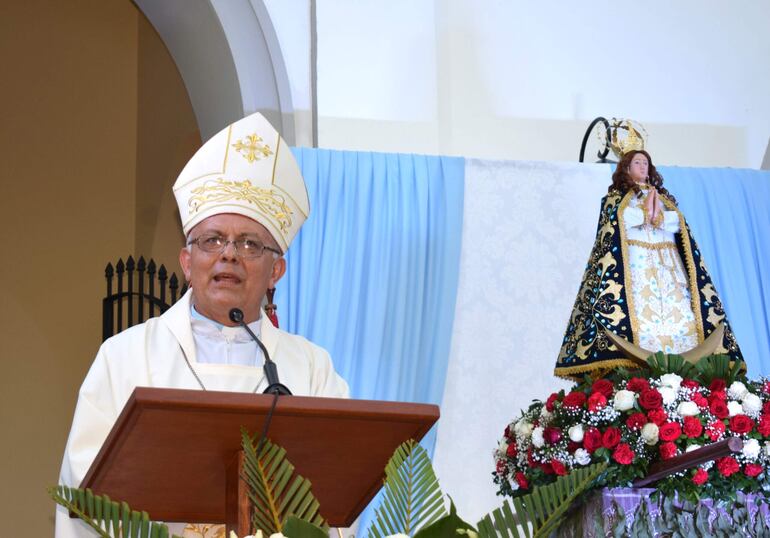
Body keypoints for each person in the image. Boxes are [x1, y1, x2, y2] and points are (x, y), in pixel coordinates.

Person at [56, 113, 349, 538]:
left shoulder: (311, 369)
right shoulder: (125, 358)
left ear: (276, 272)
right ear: (187, 263)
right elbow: (86, 493)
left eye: (250, 243)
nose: (228, 254)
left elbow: (337, 497)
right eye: (212, 240)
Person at [554, 148, 744, 380]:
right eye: (637, 162)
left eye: (646, 163)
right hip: (635, 263)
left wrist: (659, 217)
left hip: (666, 263)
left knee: (679, 311)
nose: (643, 167)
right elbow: (621, 221)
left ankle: (681, 359)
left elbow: (678, 224)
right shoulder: (616, 199)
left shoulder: (664, 198)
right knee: (640, 311)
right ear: (626, 167)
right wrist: (646, 216)